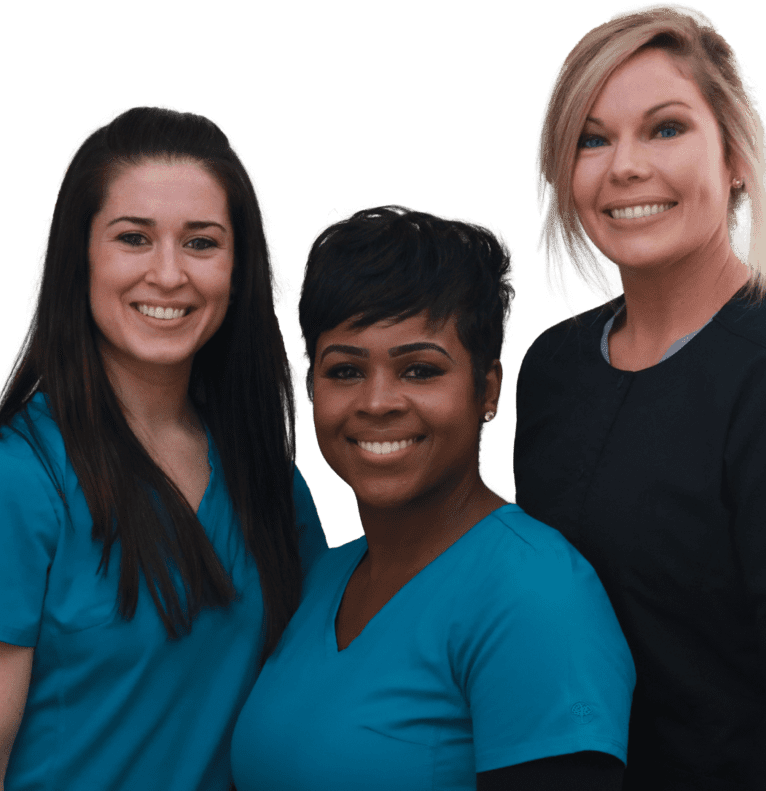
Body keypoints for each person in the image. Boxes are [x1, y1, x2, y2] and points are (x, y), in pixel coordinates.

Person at [515, 5, 766, 789]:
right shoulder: (556, 369)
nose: (624, 165)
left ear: (734, 158)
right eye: (592, 138)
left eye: (665, 129)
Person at [0, 106, 328, 791]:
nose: (168, 274)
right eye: (133, 238)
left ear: (238, 267)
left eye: (202, 243)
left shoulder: (269, 484)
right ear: (81, 257)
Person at [230, 205, 635, 791]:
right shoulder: (321, 578)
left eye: (419, 370)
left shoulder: (535, 595)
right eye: (344, 370)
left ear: (486, 389)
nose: (377, 401)